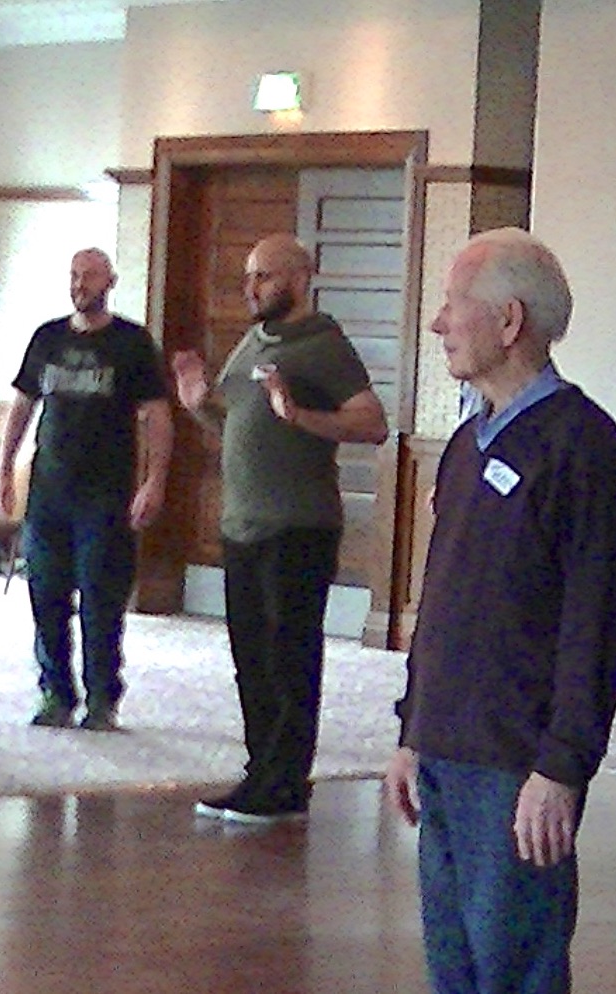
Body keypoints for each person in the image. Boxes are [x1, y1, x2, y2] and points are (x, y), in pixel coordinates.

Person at [383, 227, 616, 994]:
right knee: (456, 970)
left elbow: (598, 624)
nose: (438, 323)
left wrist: (560, 765)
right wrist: (412, 731)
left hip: (515, 759)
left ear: (508, 321)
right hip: (446, 746)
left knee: (514, 968)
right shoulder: (468, 443)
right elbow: (445, 600)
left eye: (454, 304)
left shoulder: (581, 446)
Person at [172, 233, 389, 824]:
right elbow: (242, 424)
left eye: (264, 276)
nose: (251, 287)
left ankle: (286, 784)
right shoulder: (255, 341)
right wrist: (197, 404)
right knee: (250, 657)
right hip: (243, 523)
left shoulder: (324, 344)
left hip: (298, 526)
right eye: (248, 276)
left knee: (287, 658)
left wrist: (301, 416)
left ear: (299, 278)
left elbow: (372, 424)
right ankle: (260, 772)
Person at [0, 248, 172, 732]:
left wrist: (154, 480)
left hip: (106, 494)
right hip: (48, 492)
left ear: (110, 282)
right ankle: (56, 693)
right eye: (74, 275)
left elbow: (157, 415)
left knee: (102, 599)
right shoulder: (47, 338)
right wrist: (5, 466)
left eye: (90, 276)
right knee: (45, 595)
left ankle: (102, 698)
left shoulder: (132, 343)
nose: (80, 284)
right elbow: (23, 405)